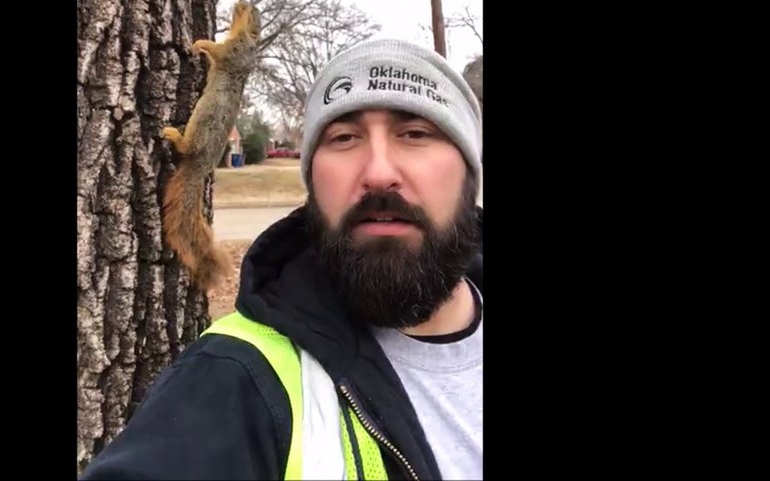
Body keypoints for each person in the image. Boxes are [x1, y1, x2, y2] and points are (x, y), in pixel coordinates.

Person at [82, 38, 484, 480]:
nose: (379, 173)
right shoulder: (237, 377)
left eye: (415, 134)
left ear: (469, 172)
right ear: (312, 180)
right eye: (344, 137)